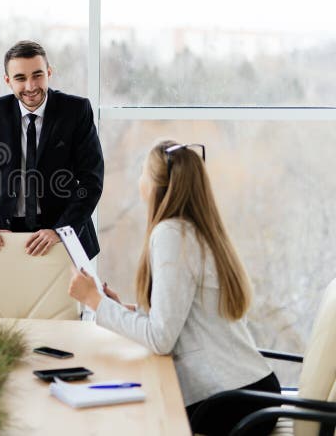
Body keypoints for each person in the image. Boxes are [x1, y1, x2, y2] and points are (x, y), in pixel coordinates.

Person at [68, 141, 279, 436]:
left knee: (133, 416)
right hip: (251, 390)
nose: (139, 180)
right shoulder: (195, 230)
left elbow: (161, 338)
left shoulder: (171, 235)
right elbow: (180, 317)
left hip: (232, 402)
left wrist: (94, 301)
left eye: (143, 173)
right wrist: (116, 307)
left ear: (156, 185)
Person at [0, 40, 104, 257]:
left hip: (63, 234)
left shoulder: (76, 110)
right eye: (20, 78)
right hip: (4, 235)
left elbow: (92, 181)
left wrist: (61, 230)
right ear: (8, 81)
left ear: (49, 72)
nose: (30, 86)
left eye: (37, 75)